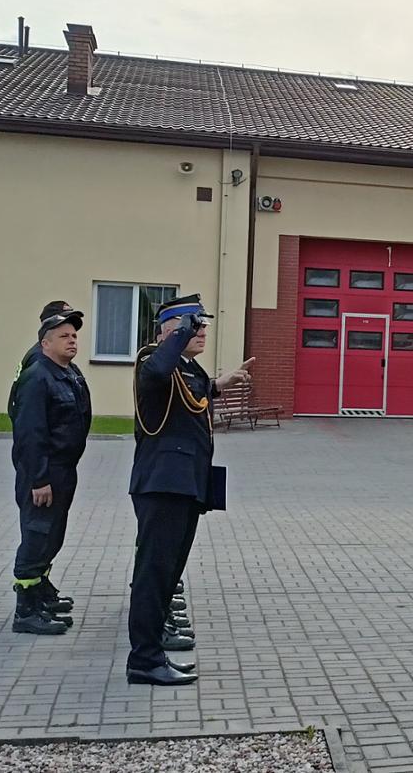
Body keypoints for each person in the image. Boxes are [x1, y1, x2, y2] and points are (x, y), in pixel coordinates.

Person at [125, 294, 253, 686]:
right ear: (169, 330)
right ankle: (144, 660)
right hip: (163, 485)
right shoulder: (153, 361)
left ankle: (153, 653)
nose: (201, 332)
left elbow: (193, 391)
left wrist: (220, 384)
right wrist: (178, 335)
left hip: (186, 484)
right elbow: (159, 376)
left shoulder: (186, 367)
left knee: (169, 574)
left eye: (201, 326)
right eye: (192, 325)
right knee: (154, 573)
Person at [8, 309, 91, 635]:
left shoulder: (67, 372)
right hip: (42, 475)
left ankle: (41, 595)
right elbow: (30, 433)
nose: (72, 341)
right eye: (64, 336)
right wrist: (39, 478)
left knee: (52, 535)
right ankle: (26, 611)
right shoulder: (37, 376)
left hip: (62, 470)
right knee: (38, 534)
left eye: (74, 336)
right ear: (45, 343)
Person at [8, 301, 72, 420]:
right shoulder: (40, 358)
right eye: (65, 321)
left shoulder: (57, 358)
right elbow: (32, 419)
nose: (70, 327)